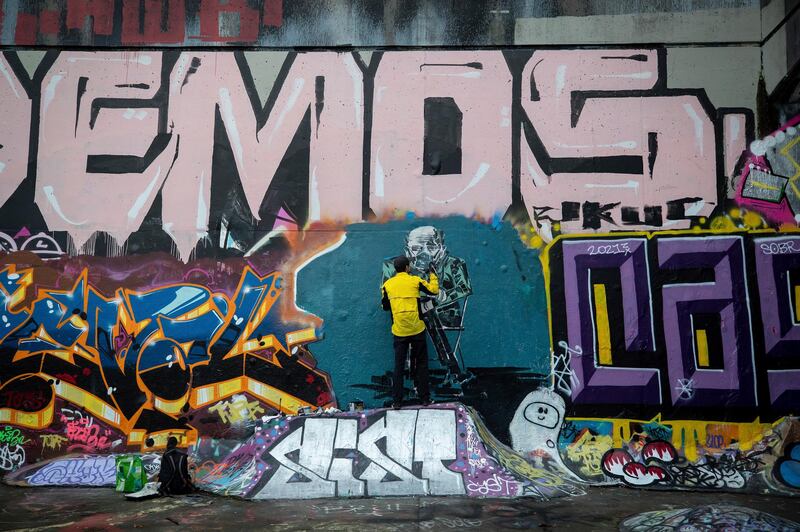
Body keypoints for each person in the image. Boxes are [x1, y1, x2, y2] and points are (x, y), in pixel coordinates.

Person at [381, 255, 439, 408]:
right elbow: (433, 290)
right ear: (407, 267)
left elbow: (385, 306)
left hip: (399, 331)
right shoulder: (415, 280)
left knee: (399, 366)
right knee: (421, 363)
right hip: (417, 329)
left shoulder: (387, 285)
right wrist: (432, 274)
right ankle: (425, 399)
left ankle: (397, 401)